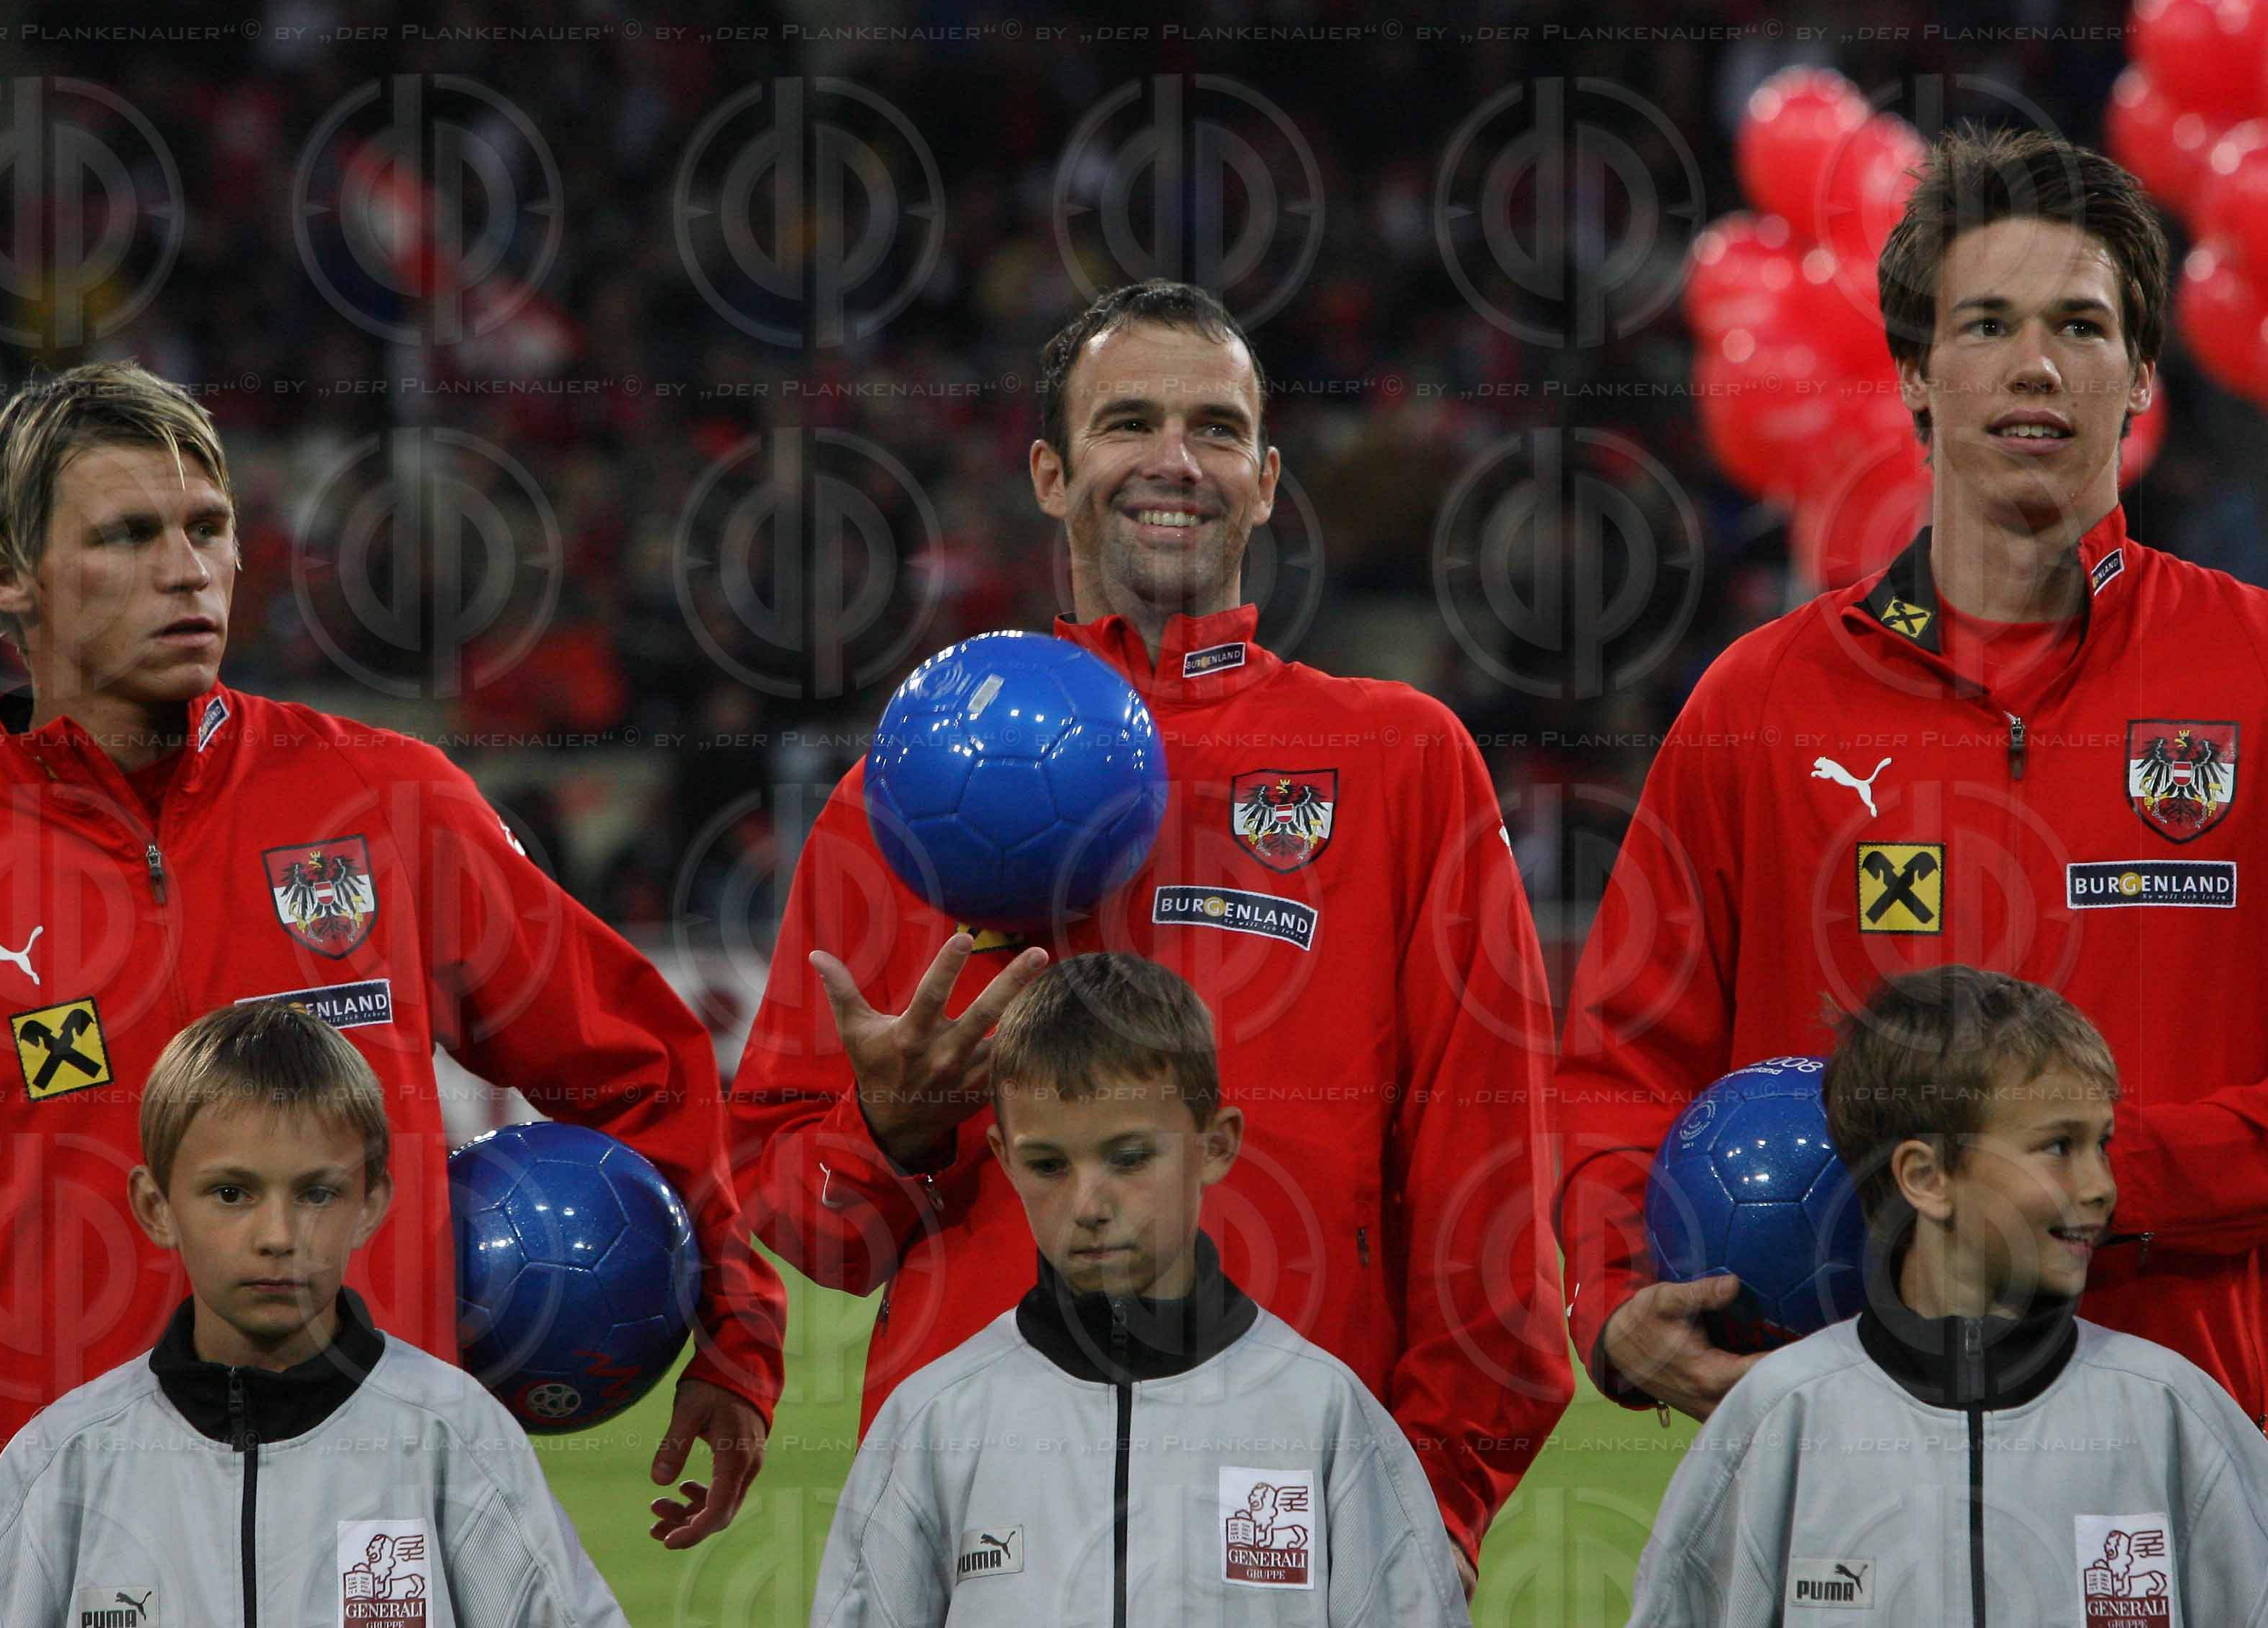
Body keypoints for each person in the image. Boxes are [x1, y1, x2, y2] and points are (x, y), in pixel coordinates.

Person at [0, 362, 784, 1628]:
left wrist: (734, 1323)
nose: (186, 568)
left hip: (371, 1561)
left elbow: (646, 1066)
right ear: (11, 577)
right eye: (127, 535)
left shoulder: (391, 808)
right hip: (63, 1573)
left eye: (207, 528)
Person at [731, 279, 1570, 1588]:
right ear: (1051, 472)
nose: (1173, 461)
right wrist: (880, 1137)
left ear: (1266, 479)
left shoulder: (1399, 763)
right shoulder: (904, 787)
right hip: (986, 1508)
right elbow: (805, 1220)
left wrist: (1424, 1514)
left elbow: (1488, 1196)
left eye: (1215, 429)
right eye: (1128, 423)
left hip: (1297, 1494)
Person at [1557, 124, 2268, 1430]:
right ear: (1913, 377)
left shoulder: (2252, 673)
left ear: (2140, 375)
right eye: (1984, 324)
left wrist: (2089, 1178)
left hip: (2192, 1437)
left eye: (2080, 325)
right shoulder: (1756, 705)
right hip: (1834, 1442)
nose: (2034, 366)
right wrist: (1611, 1288)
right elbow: (1616, 1063)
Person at [0, 1000, 631, 1627]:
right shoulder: (67, 1459)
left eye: (317, 1192)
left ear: (371, 1202)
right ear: (156, 1205)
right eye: (232, 1193)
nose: (278, 1236)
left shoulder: (453, 1438)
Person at [809, 954, 1471, 1627]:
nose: (1089, 1203)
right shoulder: (934, 1420)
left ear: (1215, 1146)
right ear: (1005, 1161)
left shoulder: (1327, 1416)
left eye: (1128, 1158)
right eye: (1048, 1165)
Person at [1628, 967, 2268, 1624]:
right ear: (1926, 1178)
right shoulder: (1780, 1417)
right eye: (2057, 1147)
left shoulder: (2174, 1412)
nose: (2101, 1185)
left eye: (2100, 1143)